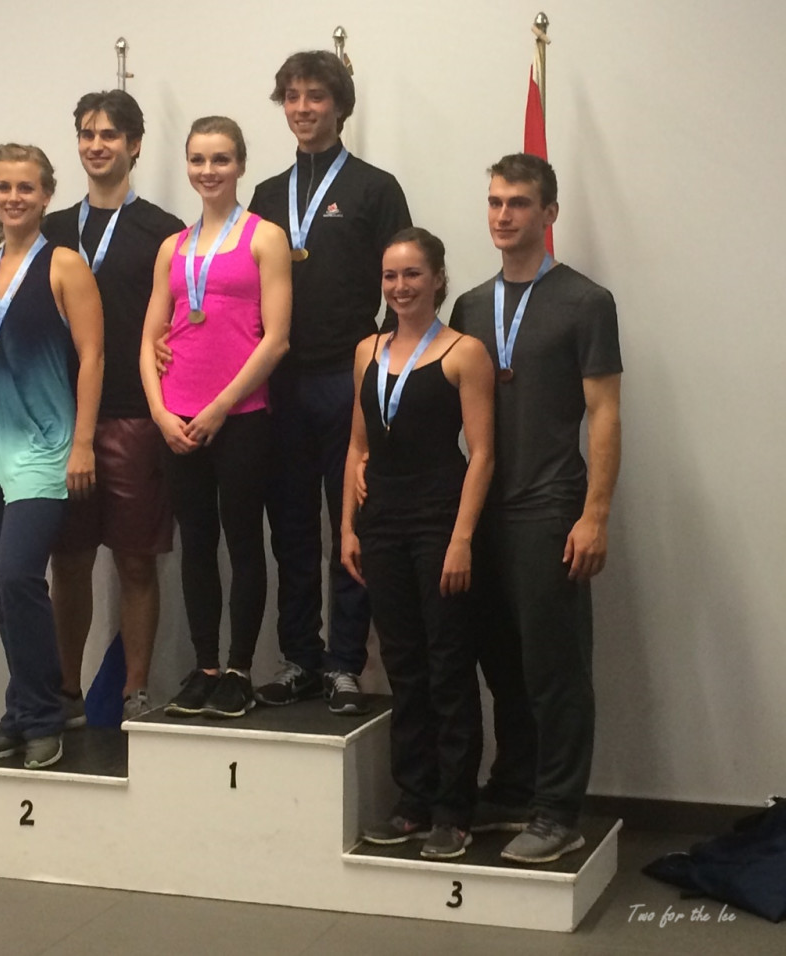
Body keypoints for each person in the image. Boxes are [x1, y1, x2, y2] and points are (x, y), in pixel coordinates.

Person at [0, 92, 183, 726]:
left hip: (136, 413)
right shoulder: (48, 229)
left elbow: (180, 314)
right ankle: (63, 692)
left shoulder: (164, 230)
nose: (97, 144)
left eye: (111, 134)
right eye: (86, 133)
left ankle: (134, 693)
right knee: (69, 561)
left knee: (137, 559)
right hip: (55, 426)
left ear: (135, 145)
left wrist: (173, 346)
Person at [449, 153, 622, 863]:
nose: (503, 215)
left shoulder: (585, 301)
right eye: (494, 202)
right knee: (499, 662)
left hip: (550, 505)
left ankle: (559, 811)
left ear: (548, 214)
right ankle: (515, 785)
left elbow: (605, 412)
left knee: (554, 666)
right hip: (481, 509)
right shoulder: (466, 306)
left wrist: (596, 513)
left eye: (518, 203)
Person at [248, 51, 412, 716]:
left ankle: (346, 662)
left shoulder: (376, 188)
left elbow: (405, 284)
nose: (303, 107)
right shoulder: (264, 195)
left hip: (349, 379)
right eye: (291, 95)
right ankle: (298, 659)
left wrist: (386, 364)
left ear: (340, 105)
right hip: (281, 383)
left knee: (354, 524)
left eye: (316, 95)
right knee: (290, 528)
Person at [0, 144, 103, 769]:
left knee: (20, 578)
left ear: (45, 195)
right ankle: (23, 710)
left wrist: (83, 442)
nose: (14, 197)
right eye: (4, 187)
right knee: (7, 593)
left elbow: (93, 357)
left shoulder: (65, 265)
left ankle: (41, 714)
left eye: (26, 188)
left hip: (43, 449)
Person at [342, 228, 494, 860]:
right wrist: (347, 527)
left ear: (437, 278)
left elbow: (483, 453)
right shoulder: (366, 351)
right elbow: (357, 447)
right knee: (402, 665)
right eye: (390, 276)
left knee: (447, 664)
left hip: (439, 520)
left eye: (411, 275)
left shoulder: (464, 353)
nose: (399, 287)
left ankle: (455, 810)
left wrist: (462, 539)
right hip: (381, 523)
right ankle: (413, 800)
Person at [140, 116, 291, 719]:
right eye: (199, 159)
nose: (209, 171)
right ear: (187, 165)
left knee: (244, 540)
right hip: (177, 421)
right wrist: (158, 410)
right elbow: (149, 337)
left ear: (241, 165)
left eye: (221, 159)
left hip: (241, 415)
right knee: (197, 544)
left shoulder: (264, 237)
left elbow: (276, 339)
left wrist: (221, 406)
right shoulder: (172, 248)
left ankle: (238, 668)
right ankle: (204, 665)